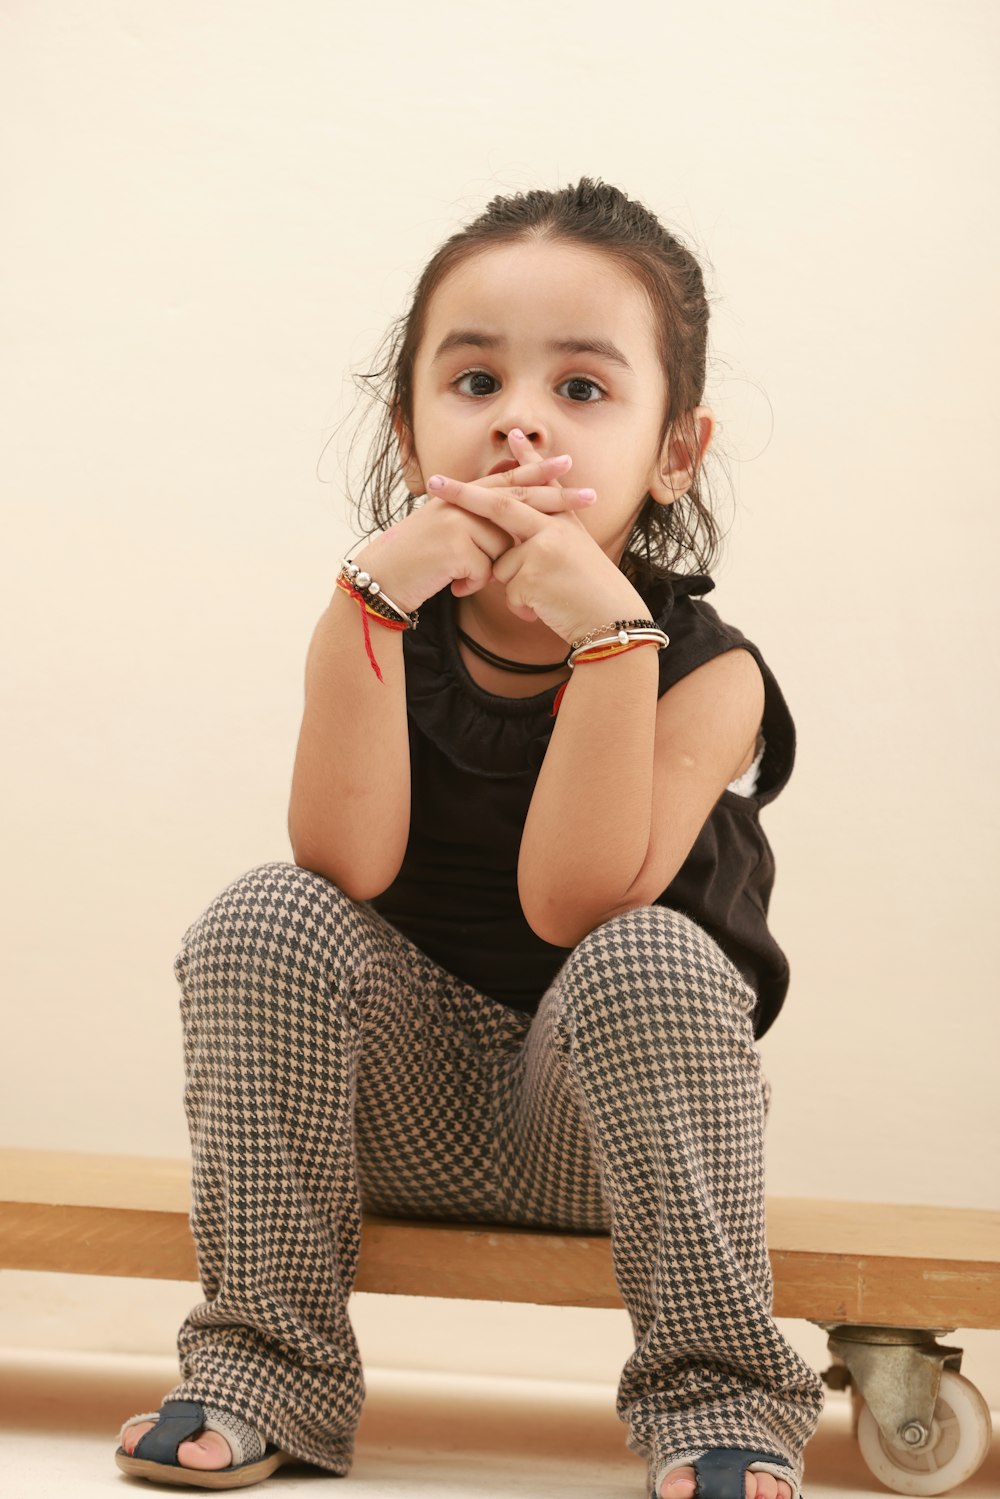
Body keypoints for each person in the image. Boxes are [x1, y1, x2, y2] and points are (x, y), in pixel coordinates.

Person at [115, 179, 825, 1498]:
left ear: (676, 450)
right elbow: (345, 866)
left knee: (651, 957)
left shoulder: (709, 678)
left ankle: (721, 1392)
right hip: (382, 1110)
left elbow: (576, 904)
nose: (521, 423)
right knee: (263, 912)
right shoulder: (372, 622)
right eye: (478, 380)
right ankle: (267, 1366)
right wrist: (369, 604)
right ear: (409, 433)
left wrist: (611, 641)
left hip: (606, 1133)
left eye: (584, 391)